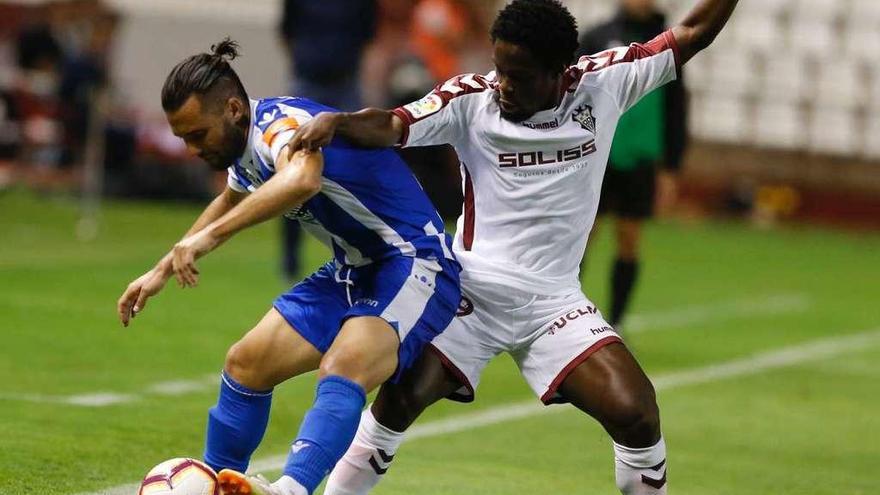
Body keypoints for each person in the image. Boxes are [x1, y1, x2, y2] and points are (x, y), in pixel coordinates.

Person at [287, 0, 738, 493]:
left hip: (554, 302)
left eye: (518, 76)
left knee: (636, 413)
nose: (503, 83)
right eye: (500, 68)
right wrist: (338, 123)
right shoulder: (471, 101)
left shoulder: (606, 82)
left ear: (559, 72)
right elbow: (392, 124)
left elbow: (693, 32)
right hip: (469, 293)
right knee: (398, 402)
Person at [115, 39, 461, 495]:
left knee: (345, 364)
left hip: (416, 261)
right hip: (355, 268)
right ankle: (216, 485)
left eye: (197, 135)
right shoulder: (245, 146)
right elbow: (230, 198)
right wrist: (161, 269)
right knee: (246, 363)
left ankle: (291, 490)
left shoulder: (281, 126)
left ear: (234, 109)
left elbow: (302, 178)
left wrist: (206, 240)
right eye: (183, 138)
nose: (191, 149)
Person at [579, 0, 688, 328]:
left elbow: (676, 108)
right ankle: (564, 314)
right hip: (596, 152)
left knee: (628, 238)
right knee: (582, 235)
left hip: (640, 156)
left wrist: (671, 166)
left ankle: (617, 320)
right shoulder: (599, 36)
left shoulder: (669, 43)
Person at [277, 0, 377, 281]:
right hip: (307, 82)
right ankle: (290, 255)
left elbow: (367, 36)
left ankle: (364, 251)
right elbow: (287, 31)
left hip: (345, 86)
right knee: (293, 167)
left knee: (356, 167)